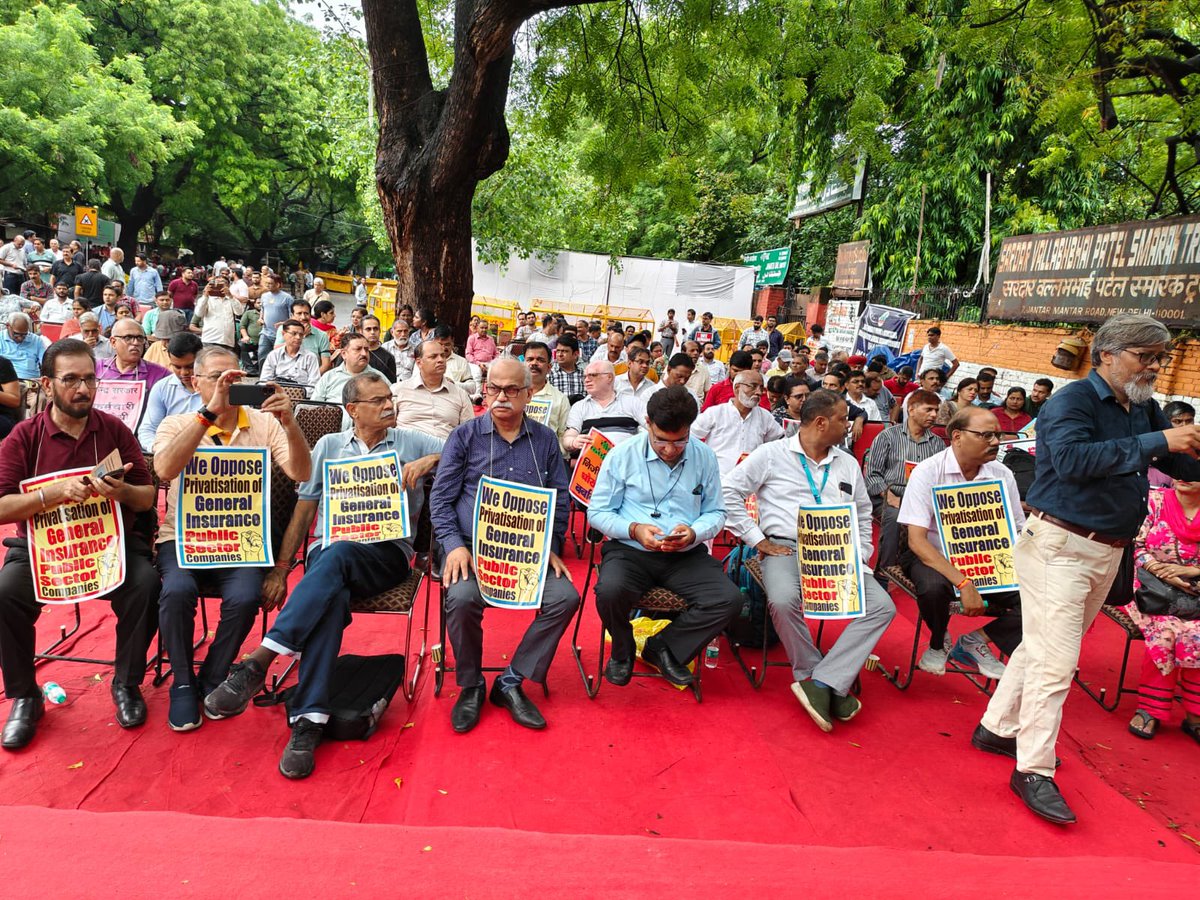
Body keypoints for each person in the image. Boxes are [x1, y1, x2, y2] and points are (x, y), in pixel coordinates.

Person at [974, 314, 1200, 826]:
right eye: (1146, 357)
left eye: (1159, 358)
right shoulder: (1069, 402)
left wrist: (1182, 446)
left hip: (1105, 550)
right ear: (1107, 354)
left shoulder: (1142, 407)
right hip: (1059, 546)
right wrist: (1162, 442)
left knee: (1041, 647)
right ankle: (1033, 768)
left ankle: (994, 728)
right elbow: (1074, 460)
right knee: (1056, 663)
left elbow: (1179, 463)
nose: (1155, 368)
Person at [206, 370, 442, 772]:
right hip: (328, 554)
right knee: (330, 591)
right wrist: (282, 568)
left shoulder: (413, 440)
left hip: (385, 555)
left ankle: (262, 659)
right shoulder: (330, 446)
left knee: (337, 558)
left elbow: (467, 450)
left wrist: (431, 459)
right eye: (378, 400)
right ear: (352, 410)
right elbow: (305, 506)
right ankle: (309, 723)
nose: (389, 405)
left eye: (390, 397)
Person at [0, 340, 160, 749]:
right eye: (70, 379)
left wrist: (120, 491)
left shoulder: (113, 429)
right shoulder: (24, 436)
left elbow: (146, 497)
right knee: (5, 593)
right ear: (47, 384)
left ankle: (126, 684)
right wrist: (51, 495)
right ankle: (25, 696)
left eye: (89, 378)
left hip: (110, 544)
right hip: (43, 549)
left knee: (145, 583)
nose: (83, 389)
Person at [152, 347, 310, 731]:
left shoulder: (262, 422)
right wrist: (207, 416)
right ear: (195, 382)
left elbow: (301, 472)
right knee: (175, 591)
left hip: (240, 538)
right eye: (217, 378)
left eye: (235, 378)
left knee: (243, 598)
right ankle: (184, 683)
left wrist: (289, 423)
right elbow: (164, 469)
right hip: (184, 536)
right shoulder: (176, 423)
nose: (228, 384)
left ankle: (215, 674)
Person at [723, 389, 897, 731]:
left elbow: (863, 512)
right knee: (784, 598)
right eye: (843, 419)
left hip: (837, 552)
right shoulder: (771, 454)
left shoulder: (846, 462)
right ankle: (810, 673)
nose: (848, 426)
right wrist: (757, 539)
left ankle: (824, 681)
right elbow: (729, 491)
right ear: (821, 422)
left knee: (883, 607)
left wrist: (860, 552)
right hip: (786, 548)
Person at [430, 359, 579, 732]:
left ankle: (511, 680)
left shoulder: (544, 440)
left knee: (565, 597)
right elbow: (440, 499)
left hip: (528, 552)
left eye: (511, 390)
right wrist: (452, 546)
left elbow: (561, 499)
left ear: (528, 394)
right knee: (462, 598)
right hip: (471, 550)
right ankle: (471, 684)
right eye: (493, 388)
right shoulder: (464, 436)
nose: (500, 397)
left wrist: (552, 546)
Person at [589, 386, 742, 688]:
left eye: (679, 441)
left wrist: (694, 531)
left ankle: (663, 647)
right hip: (630, 550)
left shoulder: (704, 456)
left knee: (729, 600)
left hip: (685, 554)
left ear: (689, 430)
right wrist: (634, 529)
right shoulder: (622, 455)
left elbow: (717, 512)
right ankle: (623, 650)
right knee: (609, 591)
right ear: (648, 422)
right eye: (661, 440)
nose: (670, 449)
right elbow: (598, 512)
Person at [898, 406, 1024, 679]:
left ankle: (976, 641)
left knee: (1043, 599)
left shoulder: (1002, 474)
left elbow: (1017, 530)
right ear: (957, 436)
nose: (995, 442)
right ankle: (937, 640)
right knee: (932, 588)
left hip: (990, 561)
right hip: (933, 555)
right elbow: (917, 542)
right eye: (986, 435)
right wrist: (964, 583)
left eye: (998, 435)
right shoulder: (927, 472)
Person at [1123, 483, 1200, 745]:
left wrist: (1191, 573)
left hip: (1195, 588)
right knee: (1167, 631)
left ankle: (1195, 715)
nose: (1183, 476)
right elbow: (1135, 544)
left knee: (1197, 634)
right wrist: (1159, 568)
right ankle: (1150, 709)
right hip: (1150, 588)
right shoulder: (1154, 502)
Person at [864, 388, 944, 576]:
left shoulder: (938, 443)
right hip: (888, 496)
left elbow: (939, 479)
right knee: (896, 515)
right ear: (911, 410)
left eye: (936, 410)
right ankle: (886, 569)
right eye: (928, 410)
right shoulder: (887, 436)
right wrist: (891, 497)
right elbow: (873, 475)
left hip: (922, 499)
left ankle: (932, 565)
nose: (934, 415)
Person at [691, 370, 783, 474]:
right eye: (753, 386)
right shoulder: (715, 413)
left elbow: (779, 442)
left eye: (761, 388)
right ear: (737, 387)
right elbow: (691, 438)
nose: (758, 392)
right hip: (717, 478)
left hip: (751, 481)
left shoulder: (765, 416)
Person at [392, 338, 474, 440]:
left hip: (445, 452)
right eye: (433, 357)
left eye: (443, 355)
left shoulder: (460, 395)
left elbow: (469, 433)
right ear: (419, 363)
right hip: (407, 452)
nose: (441, 360)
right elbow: (385, 428)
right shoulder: (398, 391)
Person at [138, 333, 203, 451]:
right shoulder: (161, 388)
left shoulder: (216, 388)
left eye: (190, 367)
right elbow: (148, 430)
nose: (184, 373)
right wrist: (158, 449)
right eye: (177, 367)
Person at [563, 360, 646, 451]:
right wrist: (573, 442)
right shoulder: (579, 407)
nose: (586, 380)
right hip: (592, 462)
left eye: (593, 375)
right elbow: (569, 437)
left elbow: (651, 429)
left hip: (627, 460)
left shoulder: (632, 402)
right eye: (585, 376)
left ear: (609, 377)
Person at [310, 332, 384, 405]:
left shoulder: (378, 378)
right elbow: (313, 407)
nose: (364, 353)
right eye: (358, 349)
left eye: (366, 349)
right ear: (344, 354)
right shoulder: (329, 377)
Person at [96, 319, 170, 391]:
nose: (135, 343)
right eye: (128, 338)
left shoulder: (160, 374)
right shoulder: (96, 368)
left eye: (140, 338)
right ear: (113, 342)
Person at [523, 342, 570, 451]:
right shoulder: (511, 394)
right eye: (530, 359)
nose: (534, 363)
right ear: (523, 364)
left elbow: (563, 436)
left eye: (540, 360)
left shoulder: (560, 399)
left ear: (549, 367)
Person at [259, 318, 321, 389]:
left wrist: (299, 394)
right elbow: (264, 381)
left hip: (302, 396)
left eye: (301, 335)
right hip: (277, 395)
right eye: (294, 334)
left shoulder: (310, 357)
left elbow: (314, 384)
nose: (298, 337)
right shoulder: (274, 355)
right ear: (283, 334)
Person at [702, 351, 771, 412]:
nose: (738, 374)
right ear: (729, 368)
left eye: (742, 372)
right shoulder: (717, 389)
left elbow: (764, 414)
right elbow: (706, 414)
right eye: (735, 370)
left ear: (749, 370)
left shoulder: (758, 391)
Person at [194, 275, 245, 351]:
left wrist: (230, 296)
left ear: (228, 285)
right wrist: (205, 295)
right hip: (210, 339)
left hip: (227, 340)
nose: (220, 285)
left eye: (223, 283)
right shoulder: (207, 299)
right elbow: (199, 313)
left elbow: (239, 312)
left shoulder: (231, 299)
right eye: (217, 283)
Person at [286, 299, 333, 373]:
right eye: (299, 313)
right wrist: (302, 336)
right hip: (286, 377)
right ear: (292, 316)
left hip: (312, 379)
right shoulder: (284, 330)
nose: (303, 317)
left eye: (306, 313)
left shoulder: (322, 335)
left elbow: (326, 364)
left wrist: (311, 378)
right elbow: (277, 352)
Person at [432, 325, 477, 396]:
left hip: (454, 400)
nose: (443, 348)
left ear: (453, 342)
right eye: (440, 344)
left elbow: (472, 388)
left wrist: (454, 384)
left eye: (447, 344)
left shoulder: (461, 362)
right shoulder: (426, 360)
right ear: (434, 341)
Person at [256, 273, 293, 357]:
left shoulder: (287, 298)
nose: (268, 285)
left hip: (281, 334)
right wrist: (260, 318)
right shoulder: (264, 296)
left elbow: (293, 316)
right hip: (265, 332)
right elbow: (263, 309)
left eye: (270, 283)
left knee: (280, 357)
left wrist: (284, 323)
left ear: (278, 284)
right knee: (262, 355)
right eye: (266, 283)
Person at [0, 313, 44, 380]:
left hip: (30, 381)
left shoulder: (36, 340)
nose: (20, 338)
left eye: (24, 335)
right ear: (8, 326)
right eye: (16, 334)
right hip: (5, 381)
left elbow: (45, 362)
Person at [359, 315, 397, 382]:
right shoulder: (352, 354)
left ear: (380, 331)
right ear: (361, 331)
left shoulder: (388, 357)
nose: (372, 332)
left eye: (375, 329)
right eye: (368, 329)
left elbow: (391, 384)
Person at [548, 333, 584, 400]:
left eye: (564, 351)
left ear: (575, 354)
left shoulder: (583, 374)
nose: (560, 354)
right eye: (558, 351)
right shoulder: (549, 373)